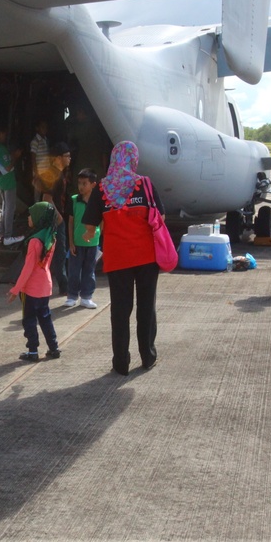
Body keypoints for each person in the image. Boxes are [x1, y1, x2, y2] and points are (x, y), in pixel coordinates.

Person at [82, 141, 161, 376]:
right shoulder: (144, 184)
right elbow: (161, 216)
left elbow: (89, 224)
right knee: (146, 307)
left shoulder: (102, 189)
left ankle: (121, 363)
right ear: (133, 159)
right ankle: (148, 356)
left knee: (120, 310)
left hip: (117, 259)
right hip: (146, 257)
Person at [7, 202, 62, 362]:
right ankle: (54, 347)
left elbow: (28, 269)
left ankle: (32, 351)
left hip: (31, 288)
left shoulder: (34, 241)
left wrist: (16, 289)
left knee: (29, 320)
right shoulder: (51, 236)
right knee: (45, 318)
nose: (29, 218)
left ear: (39, 218)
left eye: (32, 215)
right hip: (45, 286)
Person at [35, 142, 71, 295]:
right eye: (67, 156)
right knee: (59, 253)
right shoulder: (53, 174)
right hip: (55, 219)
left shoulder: (59, 173)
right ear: (58, 158)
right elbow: (47, 198)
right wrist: (59, 217)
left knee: (57, 252)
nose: (70, 158)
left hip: (57, 217)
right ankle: (64, 285)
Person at [66, 169, 101, 308]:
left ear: (93, 184)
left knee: (89, 270)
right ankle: (72, 295)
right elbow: (70, 222)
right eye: (79, 183)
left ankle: (87, 296)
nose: (81, 186)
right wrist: (71, 242)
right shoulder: (74, 200)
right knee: (74, 271)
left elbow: (102, 220)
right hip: (77, 242)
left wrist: (99, 234)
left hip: (93, 242)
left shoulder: (97, 200)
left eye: (84, 183)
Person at [0, 128, 23, 245]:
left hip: (0, 181)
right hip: (7, 182)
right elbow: (8, 167)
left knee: (5, 208)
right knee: (10, 209)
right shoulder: (0, 148)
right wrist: (15, 157)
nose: (5, 136)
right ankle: (8, 236)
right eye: (4, 133)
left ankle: (0, 234)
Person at [30, 120, 50, 187]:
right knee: (38, 192)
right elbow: (33, 158)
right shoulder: (35, 141)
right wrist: (36, 173)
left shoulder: (45, 140)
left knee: (45, 190)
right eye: (42, 127)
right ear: (37, 128)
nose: (45, 129)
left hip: (46, 171)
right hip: (39, 172)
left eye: (46, 127)